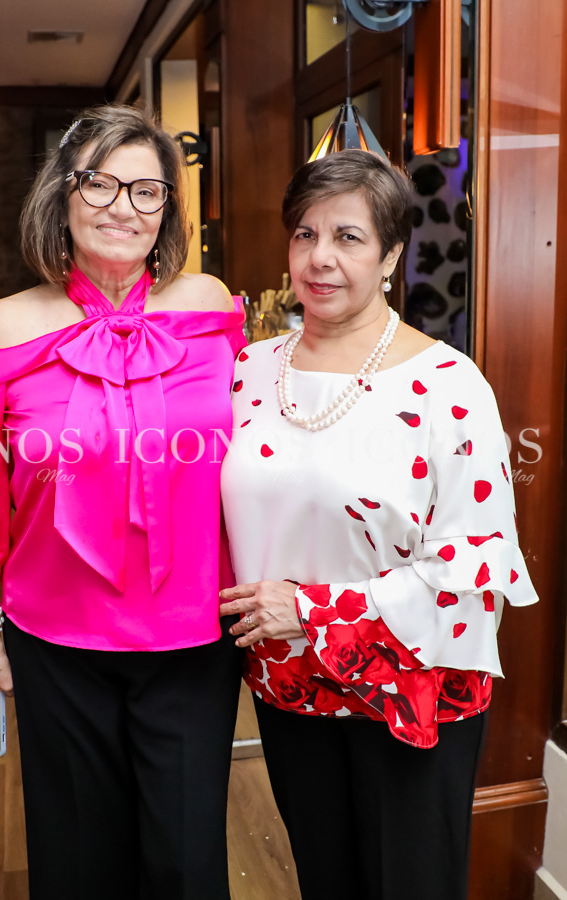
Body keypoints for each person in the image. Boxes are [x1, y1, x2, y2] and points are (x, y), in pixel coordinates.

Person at [0, 105, 246, 900]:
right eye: (100, 184)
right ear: (63, 194)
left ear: (167, 209)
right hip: (55, 639)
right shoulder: (6, 325)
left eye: (147, 190)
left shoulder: (210, 306)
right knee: (78, 862)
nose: (123, 207)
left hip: (194, 634)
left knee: (188, 864)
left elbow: (255, 457)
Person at [219, 150, 538, 900]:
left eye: (348, 237)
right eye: (305, 234)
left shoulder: (447, 384)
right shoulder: (247, 369)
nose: (320, 258)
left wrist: (309, 610)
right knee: (325, 878)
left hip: (409, 682)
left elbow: (471, 567)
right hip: (288, 681)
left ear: (391, 255)